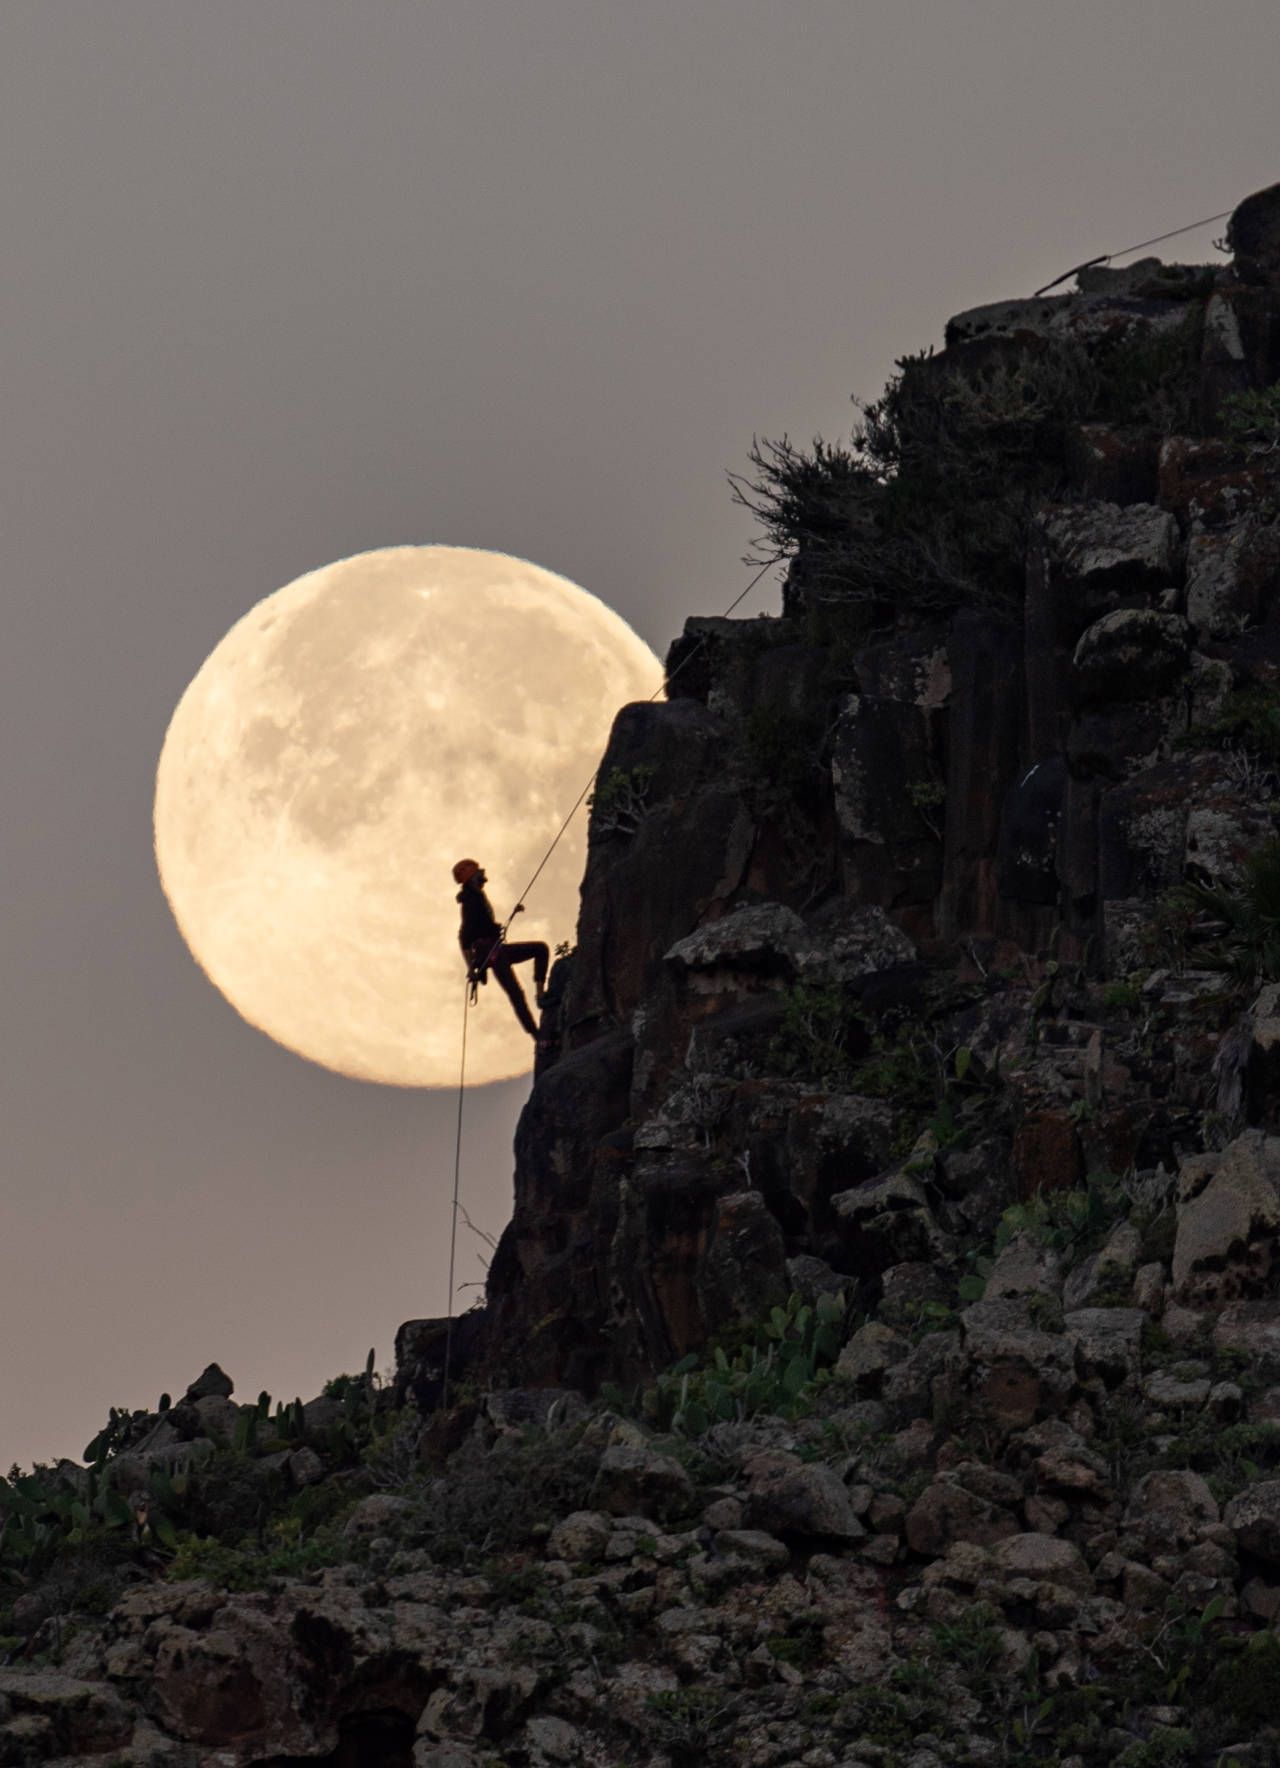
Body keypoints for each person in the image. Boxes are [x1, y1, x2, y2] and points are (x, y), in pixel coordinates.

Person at [452, 858, 549, 1039]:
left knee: (540, 950)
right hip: (492, 953)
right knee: (516, 993)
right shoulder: (471, 901)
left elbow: (468, 935)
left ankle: (541, 996)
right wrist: (470, 968)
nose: (483, 876)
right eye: (479, 873)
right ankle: (538, 1035)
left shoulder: (476, 898)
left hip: (496, 950)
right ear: (471, 877)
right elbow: (463, 937)